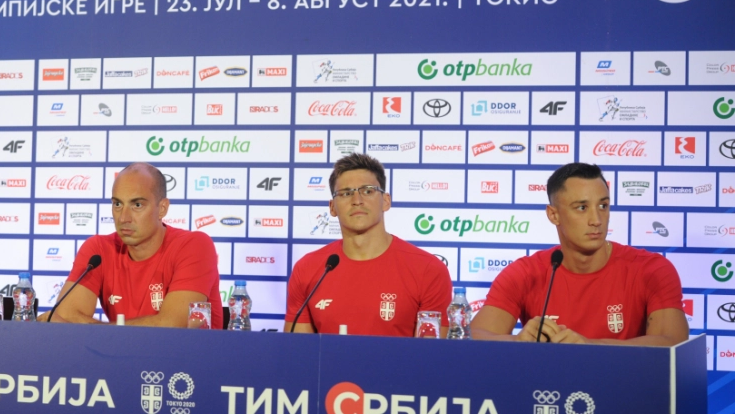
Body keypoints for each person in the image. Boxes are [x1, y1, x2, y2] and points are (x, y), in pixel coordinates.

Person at [471, 162, 688, 346]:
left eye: (603, 206)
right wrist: (518, 341)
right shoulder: (525, 273)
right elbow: (474, 337)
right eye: (582, 208)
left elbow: (672, 342)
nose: (597, 220)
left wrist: (588, 348)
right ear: (553, 215)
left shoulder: (651, 269)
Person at [285, 153, 452, 336]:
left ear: (386, 201)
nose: (357, 201)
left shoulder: (428, 270)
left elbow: (431, 352)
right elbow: (298, 350)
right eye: (346, 193)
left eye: (368, 191)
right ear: (332, 207)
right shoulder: (307, 269)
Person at [45, 163, 222, 327]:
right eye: (117, 204)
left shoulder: (194, 245)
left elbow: (172, 326)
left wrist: (97, 329)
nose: (124, 218)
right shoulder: (98, 250)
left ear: (162, 208)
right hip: (118, 351)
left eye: (137, 205)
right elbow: (63, 316)